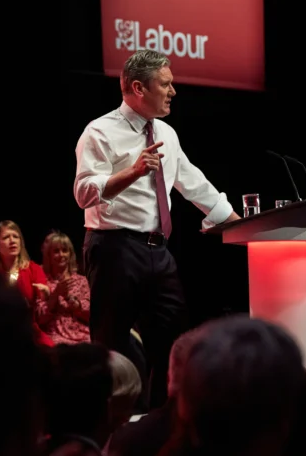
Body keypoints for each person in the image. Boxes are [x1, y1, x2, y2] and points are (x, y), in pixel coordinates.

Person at [73, 49, 239, 409]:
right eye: (165, 84)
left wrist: (231, 218)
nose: (173, 91)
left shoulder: (165, 132)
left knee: (174, 337)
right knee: (110, 345)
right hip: (113, 247)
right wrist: (130, 173)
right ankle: (106, 428)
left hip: (158, 250)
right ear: (137, 87)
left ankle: (164, 422)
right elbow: (83, 193)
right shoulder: (100, 131)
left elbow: (191, 180)